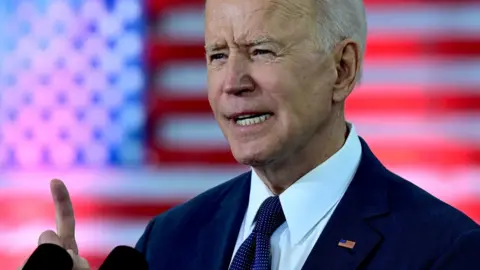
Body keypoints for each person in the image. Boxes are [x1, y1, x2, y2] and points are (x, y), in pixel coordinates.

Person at [31, 0, 480, 269]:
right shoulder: (168, 241)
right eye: (217, 55)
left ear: (341, 70)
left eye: (261, 51)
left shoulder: (445, 252)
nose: (233, 82)